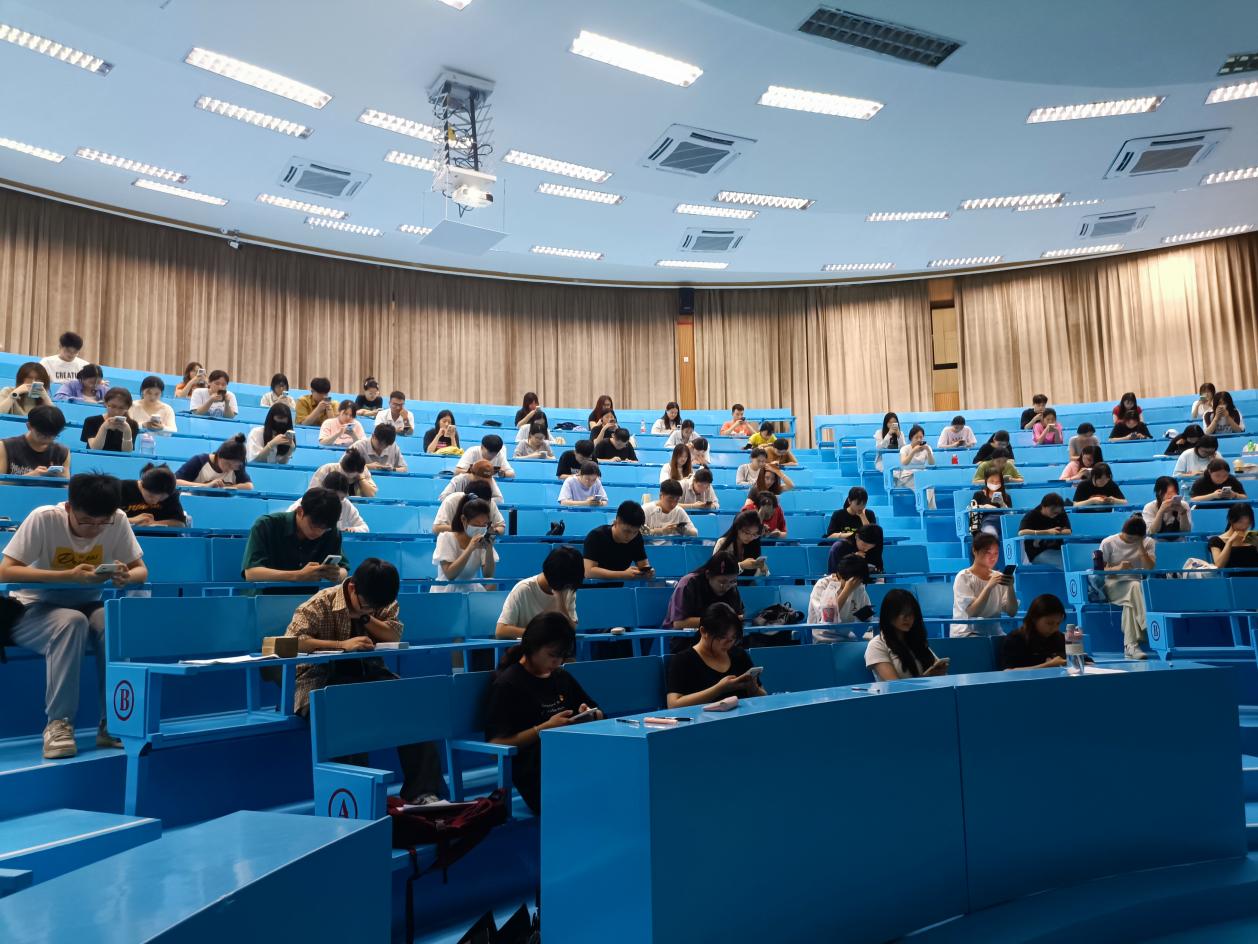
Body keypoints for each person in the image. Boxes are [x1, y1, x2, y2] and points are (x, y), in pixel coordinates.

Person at [0, 473, 147, 758]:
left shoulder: (117, 520)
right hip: (32, 608)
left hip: (87, 605)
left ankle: (115, 722)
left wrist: (126, 577)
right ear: (69, 508)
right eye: (86, 521)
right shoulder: (44, 518)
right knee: (71, 621)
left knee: (112, 622)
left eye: (102, 523)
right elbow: (5, 571)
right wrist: (67, 575)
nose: (94, 529)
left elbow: (141, 570)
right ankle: (59, 724)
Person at [286, 558, 446, 805]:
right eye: (368, 605)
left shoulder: (380, 599)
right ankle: (357, 800)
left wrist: (364, 616)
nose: (373, 609)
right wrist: (341, 645)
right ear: (352, 587)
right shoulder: (319, 603)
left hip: (368, 673)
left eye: (377, 607)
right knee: (348, 715)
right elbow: (293, 641)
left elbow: (393, 634)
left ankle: (422, 793)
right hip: (321, 679)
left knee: (415, 705)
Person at [486, 611, 601, 814]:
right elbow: (496, 746)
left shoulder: (561, 677)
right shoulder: (508, 684)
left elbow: (597, 711)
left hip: (569, 759)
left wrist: (589, 715)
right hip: (536, 771)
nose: (557, 661)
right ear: (533, 646)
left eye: (562, 656)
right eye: (552, 655)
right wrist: (543, 728)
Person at [666, 602, 765, 708]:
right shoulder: (683, 660)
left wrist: (753, 688)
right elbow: (673, 705)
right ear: (703, 631)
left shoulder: (739, 655)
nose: (728, 643)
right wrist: (719, 689)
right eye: (722, 637)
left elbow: (764, 697)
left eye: (733, 638)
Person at [242, 487, 347, 584]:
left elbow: (344, 569)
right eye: (313, 526)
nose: (319, 533)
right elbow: (251, 573)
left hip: (311, 596)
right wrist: (298, 575)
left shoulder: (332, 531)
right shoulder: (266, 525)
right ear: (300, 511)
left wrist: (337, 575)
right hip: (266, 594)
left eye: (325, 528)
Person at [495, 546, 584, 639]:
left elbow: (571, 629)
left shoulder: (569, 590)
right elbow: (501, 631)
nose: (568, 588)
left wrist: (560, 603)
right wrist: (539, 634)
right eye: (566, 585)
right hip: (528, 646)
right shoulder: (523, 589)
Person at [1099, 515, 1155, 659]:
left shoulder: (1148, 542)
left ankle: (1131, 646)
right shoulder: (1108, 542)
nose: (1130, 541)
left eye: (1134, 539)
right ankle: (1148, 623)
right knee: (1135, 587)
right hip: (1113, 585)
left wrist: (1140, 546)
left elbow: (1149, 568)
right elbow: (1098, 571)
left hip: (1137, 588)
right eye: (1128, 537)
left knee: (1130, 604)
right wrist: (1117, 568)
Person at [866, 589, 945, 681]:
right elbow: (894, 684)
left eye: (911, 613)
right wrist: (926, 679)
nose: (907, 618)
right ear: (888, 615)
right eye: (901, 612)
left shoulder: (917, 641)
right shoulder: (877, 645)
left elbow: (936, 666)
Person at [952, 532, 1018, 637]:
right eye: (988, 553)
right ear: (975, 551)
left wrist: (1010, 587)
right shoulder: (963, 577)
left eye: (996, 553)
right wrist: (989, 586)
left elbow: (1012, 612)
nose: (993, 557)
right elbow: (973, 612)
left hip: (994, 632)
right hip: (967, 633)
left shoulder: (999, 577)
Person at [663, 554, 744, 633]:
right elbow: (679, 623)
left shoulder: (731, 587)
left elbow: (738, 615)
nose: (727, 586)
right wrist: (720, 621)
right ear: (708, 574)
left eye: (732, 581)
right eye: (722, 582)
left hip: (720, 636)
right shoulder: (688, 583)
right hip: (685, 637)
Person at [432, 497, 498, 591]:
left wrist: (489, 548)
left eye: (484, 525)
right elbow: (450, 575)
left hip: (469, 587)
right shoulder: (446, 537)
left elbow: (488, 575)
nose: (480, 528)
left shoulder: (483, 539)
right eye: (475, 524)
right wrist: (470, 548)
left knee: (492, 585)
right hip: (447, 588)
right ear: (463, 520)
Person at [808, 554, 874, 642]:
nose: (856, 584)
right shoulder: (822, 585)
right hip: (823, 638)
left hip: (847, 637)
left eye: (859, 581)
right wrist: (847, 590)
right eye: (853, 581)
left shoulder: (859, 587)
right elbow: (828, 618)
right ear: (839, 575)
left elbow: (867, 617)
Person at [999, 595, 1070, 670]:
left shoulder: (1059, 638)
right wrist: (1048, 665)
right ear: (1034, 618)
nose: (1055, 628)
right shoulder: (1015, 639)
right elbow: (1007, 671)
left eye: (1058, 623)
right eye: (1049, 623)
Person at [582, 501, 652, 577]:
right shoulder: (596, 536)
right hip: (596, 584)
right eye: (627, 531)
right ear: (615, 522)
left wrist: (647, 572)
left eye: (635, 532)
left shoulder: (637, 538)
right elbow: (589, 572)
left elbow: (643, 565)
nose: (630, 536)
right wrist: (623, 574)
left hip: (620, 584)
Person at [286, 470, 368, 534]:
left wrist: (353, 529)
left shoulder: (346, 505)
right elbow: (287, 522)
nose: (337, 502)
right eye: (334, 497)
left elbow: (364, 528)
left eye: (341, 498)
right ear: (324, 490)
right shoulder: (308, 501)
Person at [0, 405, 71, 478]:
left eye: (52, 436)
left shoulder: (62, 452)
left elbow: (67, 483)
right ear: (29, 426)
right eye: (42, 435)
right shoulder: (6, 447)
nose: (47, 440)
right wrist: (28, 478)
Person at [432, 477, 506, 536]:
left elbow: (501, 527)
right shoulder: (451, 501)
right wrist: (465, 529)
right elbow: (437, 528)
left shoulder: (490, 503)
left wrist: (493, 531)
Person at [175, 435, 253, 490]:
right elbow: (175, 482)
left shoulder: (237, 467)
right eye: (228, 464)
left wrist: (227, 488)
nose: (230, 469)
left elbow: (249, 486)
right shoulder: (199, 461)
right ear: (219, 455)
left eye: (235, 467)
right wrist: (206, 486)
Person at [120, 464, 187, 527]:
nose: (155, 501)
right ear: (141, 485)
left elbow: (180, 523)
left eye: (162, 498)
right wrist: (131, 520)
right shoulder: (121, 488)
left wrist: (153, 523)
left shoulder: (172, 495)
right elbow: (113, 519)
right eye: (150, 496)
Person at [1017, 493, 1070, 569]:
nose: (1056, 513)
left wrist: (1057, 532)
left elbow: (1068, 530)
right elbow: (1021, 532)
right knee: (1066, 564)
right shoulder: (1032, 515)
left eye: (1058, 511)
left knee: (1074, 560)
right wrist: (1047, 532)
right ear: (1043, 506)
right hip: (1037, 552)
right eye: (1052, 509)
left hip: (1058, 550)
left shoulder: (1060, 512)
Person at [81, 388, 139, 453]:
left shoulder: (133, 425)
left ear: (128, 408)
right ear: (105, 403)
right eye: (113, 406)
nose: (116, 411)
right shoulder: (91, 422)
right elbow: (94, 448)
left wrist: (127, 431)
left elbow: (127, 452)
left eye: (121, 408)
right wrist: (103, 428)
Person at [712, 510, 768, 577]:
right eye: (747, 533)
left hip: (747, 583)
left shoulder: (754, 542)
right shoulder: (722, 542)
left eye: (754, 534)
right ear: (737, 528)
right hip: (725, 583)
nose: (750, 537)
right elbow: (716, 570)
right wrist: (741, 565)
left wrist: (762, 569)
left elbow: (757, 577)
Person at [310, 448, 376, 498]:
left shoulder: (363, 471)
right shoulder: (327, 469)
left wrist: (361, 479)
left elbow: (371, 495)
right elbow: (312, 494)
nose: (348, 478)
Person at [1209, 503, 1258, 569]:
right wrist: (1229, 542)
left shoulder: (1254, 536)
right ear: (1231, 520)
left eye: (1248, 523)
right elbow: (1219, 566)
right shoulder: (1216, 541)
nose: (1244, 527)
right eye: (1240, 522)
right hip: (1230, 575)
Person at [439, 460, 504, 504]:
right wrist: (465, 501)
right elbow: (442, 498)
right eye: (480, 478)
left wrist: (481, 502)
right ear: (472, 474)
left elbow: (500, 500)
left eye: (487, 479)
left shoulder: (491, 480)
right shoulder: (459, 479)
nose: (483, 482)